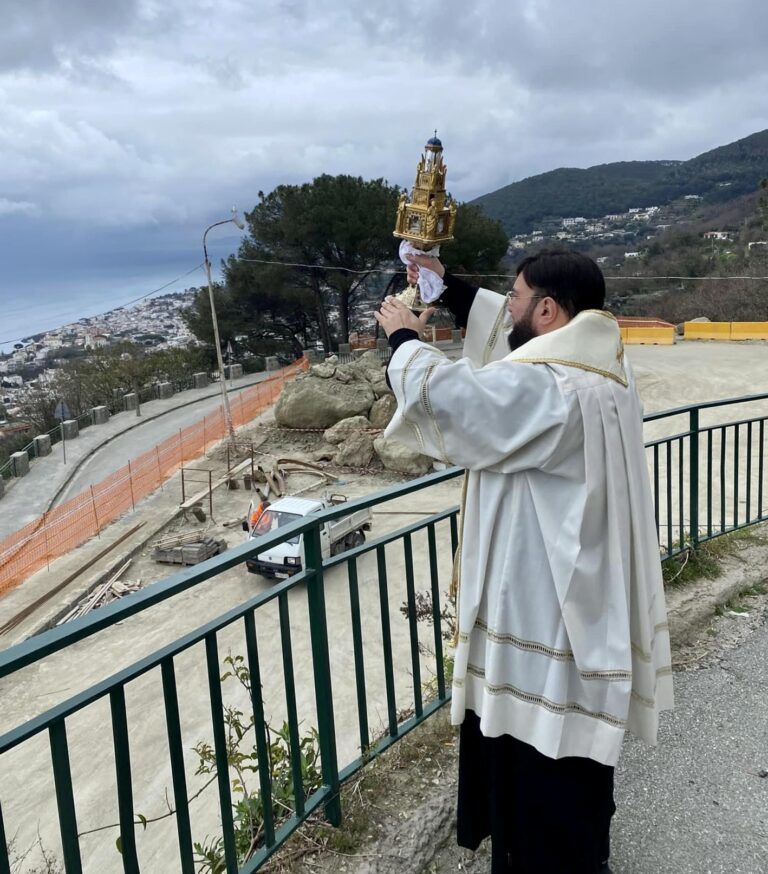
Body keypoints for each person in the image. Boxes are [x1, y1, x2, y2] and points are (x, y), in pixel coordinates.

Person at [374, 250, 673, 874]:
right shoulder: (605, 360)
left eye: (515, 296)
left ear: (548, 309)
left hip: (544, 606)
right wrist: (448, 288)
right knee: (572, 768)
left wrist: (403, 339)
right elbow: (509, 347)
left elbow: (461, 401)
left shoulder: (554, 387)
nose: (506, 306)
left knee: (538, 760)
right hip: (587, 591)